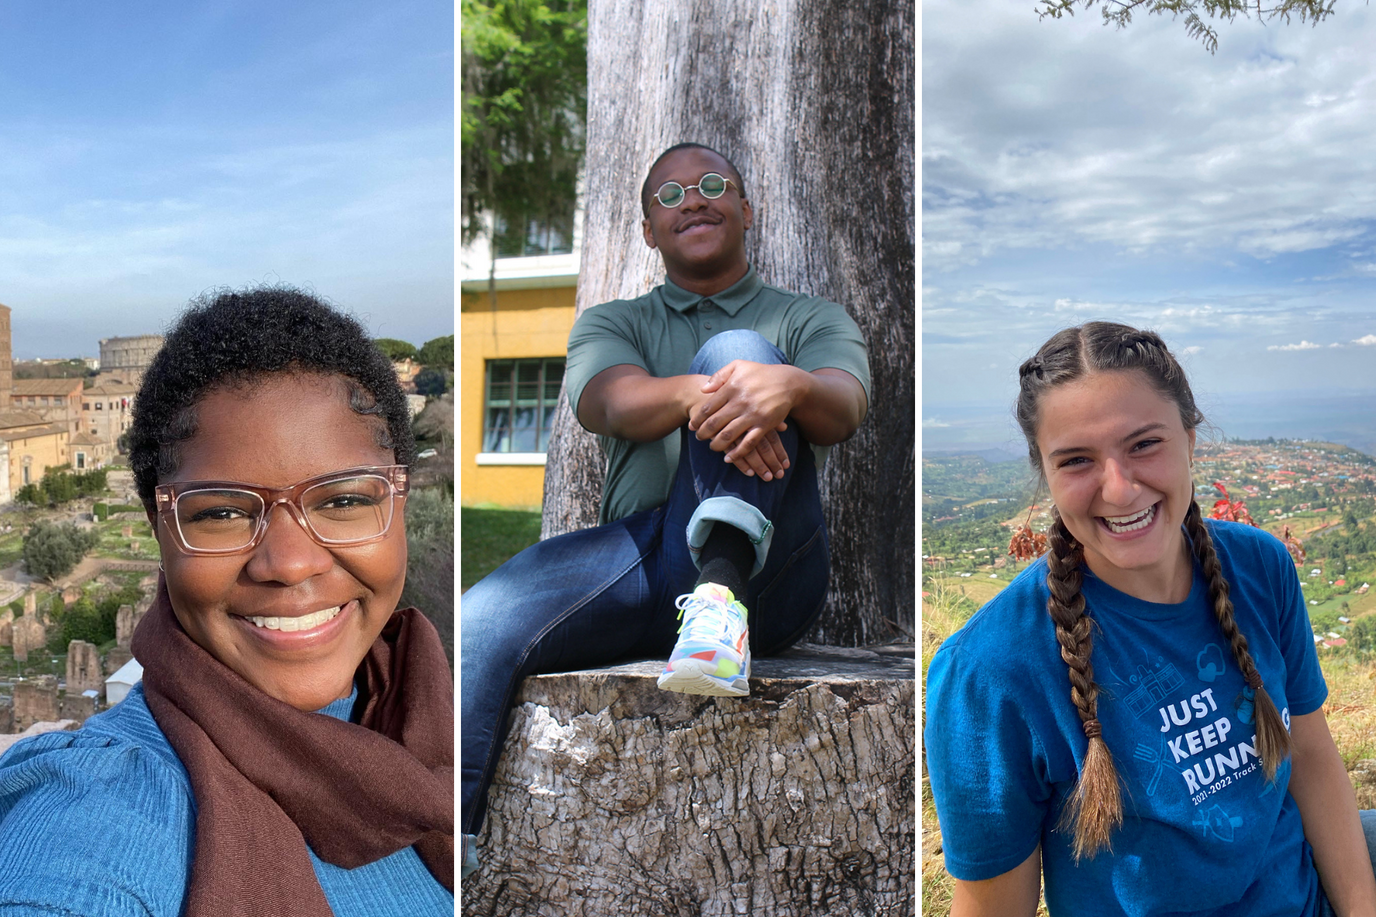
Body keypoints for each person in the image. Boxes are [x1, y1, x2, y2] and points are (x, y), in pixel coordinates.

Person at [460, 142, 871, 874]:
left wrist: (794, 387)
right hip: (645, 561)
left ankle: (721, 596)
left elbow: (845, 407)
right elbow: (609, 403)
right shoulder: (612, 322)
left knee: (739, 346)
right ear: (649, 230)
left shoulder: (808, 317)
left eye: (713, 185)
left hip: (775, 572)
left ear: (747, 210)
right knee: (479, 623)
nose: (695, 200)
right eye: (670, 195)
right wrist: (722, 393)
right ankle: (450, 847)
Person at [0, 288, 454, 916]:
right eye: (219, 512)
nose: (290, 564)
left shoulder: (446, 717)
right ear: (159, 528)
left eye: (345, 500)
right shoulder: (90, 818)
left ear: (400, 502)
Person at [924, 321, 1376, 917]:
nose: (1119, 490)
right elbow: (993, 905)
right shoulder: (991, 670)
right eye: (1077, 460)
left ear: (1190, 440)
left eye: (1143, 445)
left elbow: (1311, 758)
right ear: (1045, 473)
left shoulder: (1260, 567)